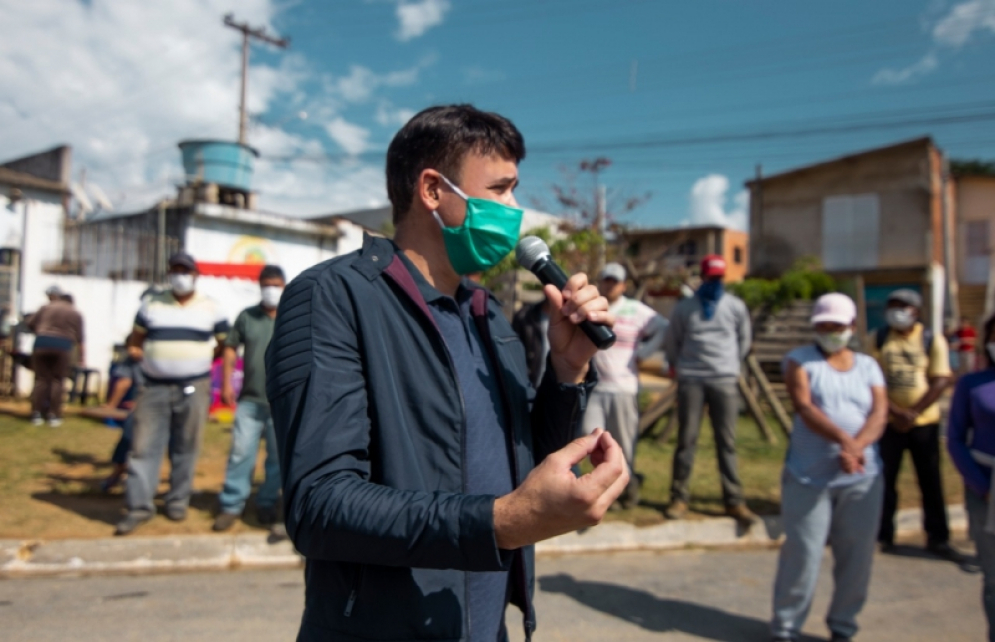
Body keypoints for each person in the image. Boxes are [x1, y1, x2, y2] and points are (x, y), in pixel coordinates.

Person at [266, 104, 628, 642]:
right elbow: (320, 504)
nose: (515, 209)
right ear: (433, 191)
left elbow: (523, 459)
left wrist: (567, 370)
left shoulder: (487, 313)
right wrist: (500, 522)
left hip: (484, 626)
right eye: (501, 190)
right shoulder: (332, 298)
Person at [770, 293, 888, 642]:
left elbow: (879, 412)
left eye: (836, 326)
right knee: (803, 555)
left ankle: (843, 625)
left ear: (851, 327)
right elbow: (804, 406)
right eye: (823, 325)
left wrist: (858, 445)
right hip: (809, 476)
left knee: (857, 557)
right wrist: (845, 440)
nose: (829, 331)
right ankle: (786, 628)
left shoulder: (868, 366)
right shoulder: (799, 361)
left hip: (861, 476)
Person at [115, 252, 230, 536]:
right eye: (175, 270)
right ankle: (139, 506)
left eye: (185, 270)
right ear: (169, 273)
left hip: (194, 385)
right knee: (143, 447)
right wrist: (144, 356)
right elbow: (136, 339)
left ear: (195, 275)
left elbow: (224, 344)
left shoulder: (212, 308)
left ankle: (177, 500)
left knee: (186, 446)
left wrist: (198, 360)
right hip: (153, 386)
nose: (180, 275)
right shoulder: (151, 304)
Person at [662, 254, 755, 524]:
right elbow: (673, 340)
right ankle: (679, 498)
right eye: (710, 277)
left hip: (724, 379)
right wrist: (679, 366)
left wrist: (730, 365)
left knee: (726, 442)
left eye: (719, 278)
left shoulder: (736, 306)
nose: (714, 282)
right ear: (701, 277)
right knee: (686, 440)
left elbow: (744, 340)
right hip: (691, 379)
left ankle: (734, 500)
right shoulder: (684, 307)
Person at [872, 288, 959, 560]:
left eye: (903, 306)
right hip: (888, 423)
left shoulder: (931, 339)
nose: (897, 311)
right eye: (892, 305)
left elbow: (942, 378)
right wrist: (896, 411)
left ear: (916, 311)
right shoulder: (878, 338)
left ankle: (937, 537)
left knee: (930, 480)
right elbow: (870, 379)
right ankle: (883, 534)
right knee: (885, 481)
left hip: (925, 424)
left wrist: (913, 411)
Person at [584, 262, 666, 509]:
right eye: (606, 279)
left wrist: (645, 353)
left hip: (624, 388)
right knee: (591, 441)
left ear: (624, 285)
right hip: (595, 388)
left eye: (614, 281)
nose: (609, 284)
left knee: (623, 444)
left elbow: (664, 327)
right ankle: (603, 491)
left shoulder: (635, 309)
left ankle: (627, 490)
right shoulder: (592, 308)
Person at [213, 265, 285, 532]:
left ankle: (267, 502)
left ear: (284, 286)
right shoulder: (248, 316)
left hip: (281, 402)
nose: (271, 290)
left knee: (278, 457)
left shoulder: (292, 314)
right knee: (241, 453)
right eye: (267, 284)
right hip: (250, 400)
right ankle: (231, 505)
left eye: (276, 285)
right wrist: (226, 381)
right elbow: (231, 347)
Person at [948, 314, 995, 641]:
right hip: (985, 489)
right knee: (994, 579)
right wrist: (982, 486)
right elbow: (954, 439)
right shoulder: (971, 383)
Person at [27, 285, 85, 427]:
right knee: (57, 380)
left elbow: (30, 323)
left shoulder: (46, 307)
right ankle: (53, 415)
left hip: (42, 343)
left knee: (41, 379)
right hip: (63, 346)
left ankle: (36, 414)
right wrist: (81, 358)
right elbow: (80, 338)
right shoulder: (75, 313)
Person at [100, 343, 145, 492]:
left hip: (157, 404)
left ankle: (180, 485)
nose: (132, 350)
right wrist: (111, 406)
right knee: (129, 436)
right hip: (144, 406)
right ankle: (118, 473)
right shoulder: (132, 360)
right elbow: (124, 382)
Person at [512, 297, 552, 388]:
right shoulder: (524, 316)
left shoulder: (574, 321)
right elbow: (514, 355)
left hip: (558, 389)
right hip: (531, 386)